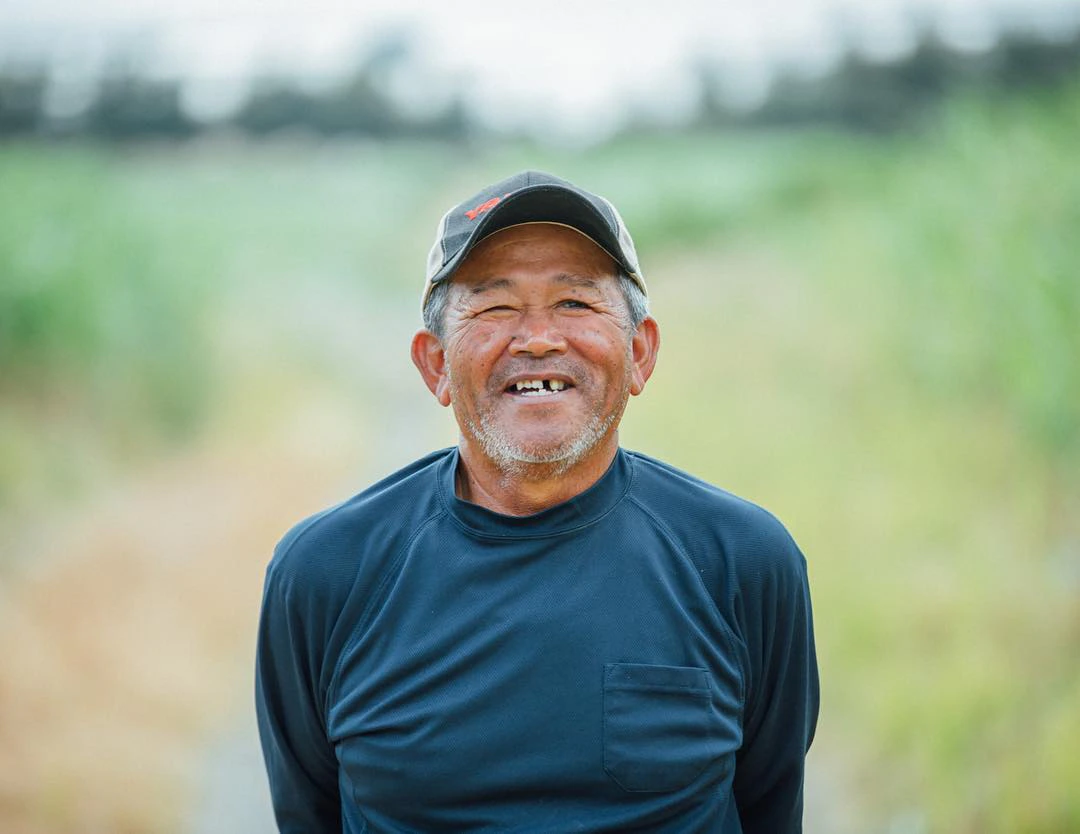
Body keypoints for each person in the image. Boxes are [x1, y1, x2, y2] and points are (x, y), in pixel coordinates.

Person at [255, 170, 819, 833]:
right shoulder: (325, 574)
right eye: (495, 308)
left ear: (640, 353)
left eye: (576, 304)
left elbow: (770, 810)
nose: (538, 338)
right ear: (434, 363)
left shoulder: (741, 561)